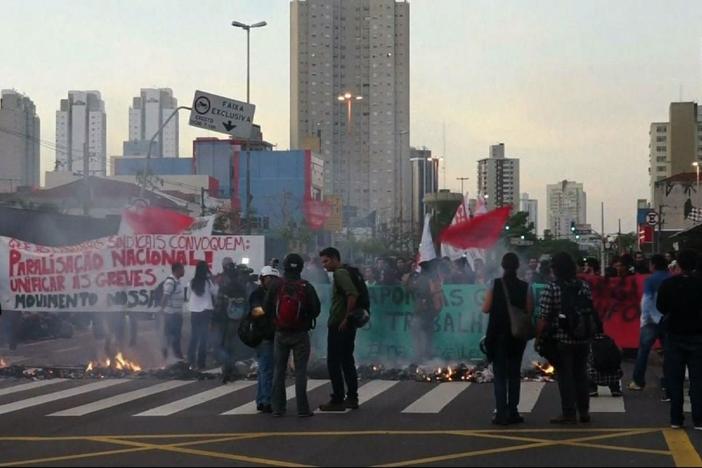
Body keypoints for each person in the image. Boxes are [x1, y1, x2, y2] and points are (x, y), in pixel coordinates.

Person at [537, 252, 594, 424]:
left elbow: (543, 317)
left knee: (565, 376)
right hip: (583, 338)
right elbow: (590, 308)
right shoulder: (583, 286)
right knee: (581, 375)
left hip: (561, 339)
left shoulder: (552, 288)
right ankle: (584, 412)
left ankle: (568, 412)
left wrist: (538, 338)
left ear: (555, 269)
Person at [266, 253, 321, 417]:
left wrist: (276, 321)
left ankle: (278, 408)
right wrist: (305, 318)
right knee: (300, 371)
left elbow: (267, 306)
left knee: (279, 370)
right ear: (301, 268)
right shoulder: (306, 287)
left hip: (281, 333)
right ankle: (302, 409)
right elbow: (316, 309)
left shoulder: (276, 285)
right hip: (300, 333)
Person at [482, 253, 533, 425]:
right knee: (514, 374)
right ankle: (513, 411)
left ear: (502, 266)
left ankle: (501, 412)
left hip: (497, 335)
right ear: (517, 267)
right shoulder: (525, 286)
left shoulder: (494, 284)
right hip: (516, 336)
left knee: (500, 376)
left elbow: (486, 308)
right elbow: (529, 309)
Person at [656, 249, 702, 429]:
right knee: (698, 380)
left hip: (674, 335)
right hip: (698, 336)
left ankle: (676, 418)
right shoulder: (700, 284)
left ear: (679, 265)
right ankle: (698, 418)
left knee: (675, 379)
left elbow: (661, 307)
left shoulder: (668, 284)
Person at [318, 247, 361, 412]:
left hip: (340, 325)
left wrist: (346, 317)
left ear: (335, 258)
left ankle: (338, 399)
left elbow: (352, 294)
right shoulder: (345, 272)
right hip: (344, 324)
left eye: (326, 261)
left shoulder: (340, 273)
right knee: (346, 360)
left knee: (334, 362)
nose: (324, 265)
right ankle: (351, 398)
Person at [628, 254, 670, 398]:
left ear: (653, 265)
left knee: (643, 352)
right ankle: (668, 382)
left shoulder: (651, 280)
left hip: (651, 321)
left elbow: (646, 301)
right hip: (668, 320)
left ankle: (638, 381)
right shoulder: (671, 278)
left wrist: (645, 319)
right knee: (669, 352)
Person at [248, 265, 281, 413]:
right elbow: (255, 312)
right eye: (269, 278)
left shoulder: (277, 294)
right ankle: (266, 401)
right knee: (267, 370)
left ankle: (261, 400)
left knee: (265, 370)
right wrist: (267, 308)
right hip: (263, 336)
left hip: (273, 335)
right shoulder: (257, 294)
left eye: (275, 279)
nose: (272, 281)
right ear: (262, 279)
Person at [216, 262, 249, 383]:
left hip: (225, 320)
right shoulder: (241, 288)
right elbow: (246, 304)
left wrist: (215, 319)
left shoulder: (225, 288)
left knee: (223, 345)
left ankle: (227, 368)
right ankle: (232, 368)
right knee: (234, 345)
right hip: (238, 320)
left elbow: (219, 305)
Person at [409, 259, 444, 362]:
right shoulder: (434, 279)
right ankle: (428, 354)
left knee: (417, 332)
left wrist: (410, 276)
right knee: (428, 333)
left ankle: (419, 355)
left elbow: (411, 289)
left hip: (422, 310)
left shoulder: (422, 279)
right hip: (431, 310)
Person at [188, 261, 218, 370]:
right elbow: (216, 293)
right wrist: (214, 280)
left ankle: (191, 362)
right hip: (206, 312)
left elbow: (188, 296)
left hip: (194, 312)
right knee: (204, 338)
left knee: (194, 337)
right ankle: (201, 363)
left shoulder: (191, 282)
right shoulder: (208, 283)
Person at [159, 262, 186, 360]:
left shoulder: (177, 281)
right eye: (182, 269)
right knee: (173, 337)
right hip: (171, 315)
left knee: (175, 336)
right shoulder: (170, 282)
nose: (184, 271)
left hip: (176, 314)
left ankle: (173, 357)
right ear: (177, 269)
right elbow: (165, 297)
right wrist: (162, 310)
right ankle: (173, 357)